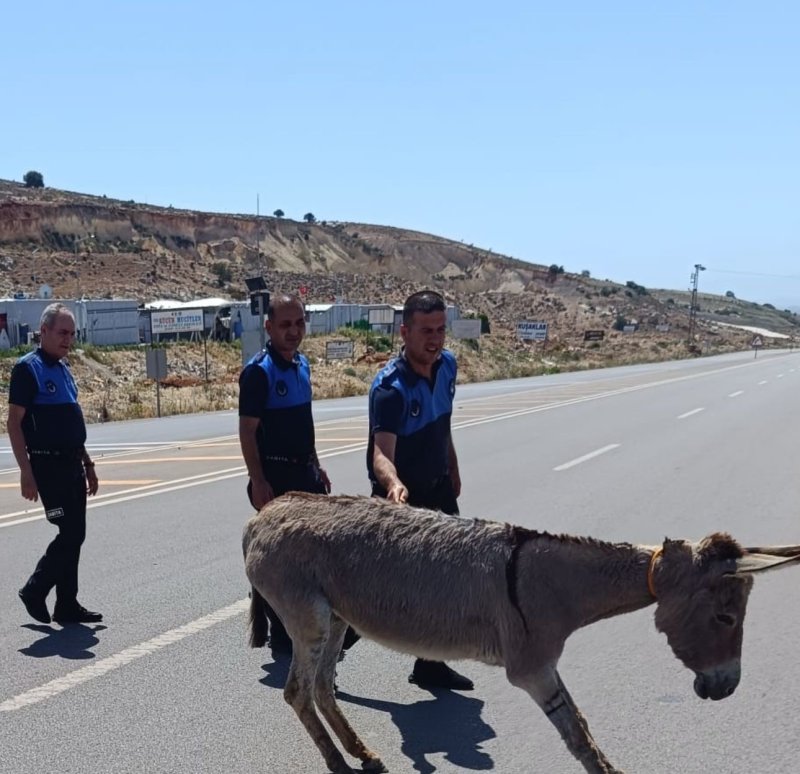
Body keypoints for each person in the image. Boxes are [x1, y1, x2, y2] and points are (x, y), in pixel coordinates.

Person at [367, 290, 473, 691]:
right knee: (380, 592)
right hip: (402, 501)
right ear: (405, 331)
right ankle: (334, 647)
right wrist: (393, 485)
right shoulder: (391, 388)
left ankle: (430, 665)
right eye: (426, 330)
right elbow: (380, 451)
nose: (435, 339)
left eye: (441, 329)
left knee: (449, 580)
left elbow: (443, 424)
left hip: (438, 488)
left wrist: (453, 465)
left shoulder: (448, 367)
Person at [238, 294, 338, 654]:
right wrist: (259, 479)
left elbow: (303, 425)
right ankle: (281, 634)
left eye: (299, 323)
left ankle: (305, 625)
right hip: (274, 476)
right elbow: (248, 431)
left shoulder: (302, 365)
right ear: (269, 327)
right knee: (280, 557)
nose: (293, 331)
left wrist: (316, 462)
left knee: (315, 551)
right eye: (285, 324)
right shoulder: (258, 372)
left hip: (304, 473)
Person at [11, 303, 102, 625]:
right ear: (44, 331)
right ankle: (34, 589)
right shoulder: (27, 369)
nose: (68, 339)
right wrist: (26, 472)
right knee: (69, 531)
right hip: (48, 471)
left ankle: (67, 604)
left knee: (75, 533)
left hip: (72, 467)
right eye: (62, 332)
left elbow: (71, 425)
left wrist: (88, 465)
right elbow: (14, 423)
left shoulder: (64, 369)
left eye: (72, 334)